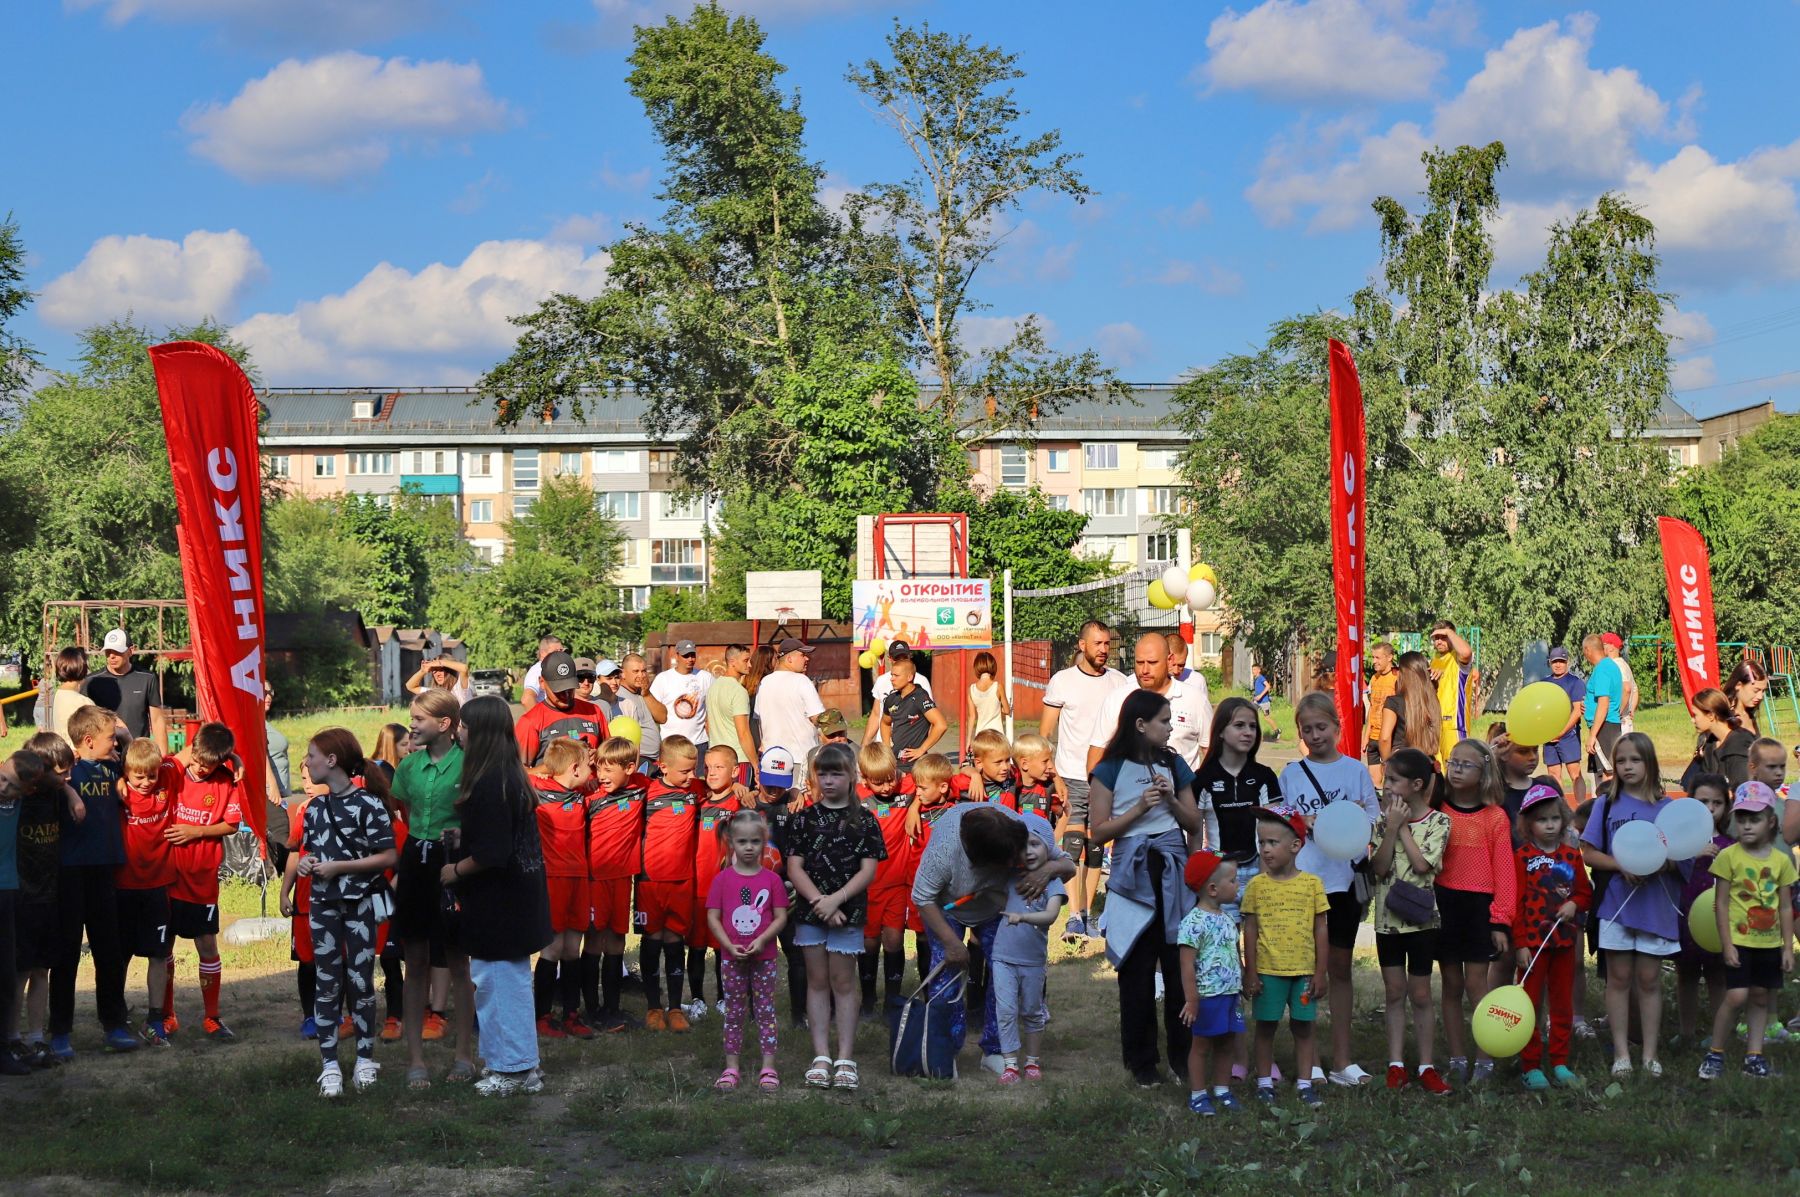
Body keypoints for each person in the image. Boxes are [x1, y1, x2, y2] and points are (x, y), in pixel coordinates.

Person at [1090, 688, 1205, 1087]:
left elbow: (1194, 824)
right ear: (1141, 725)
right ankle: (1142, 1063)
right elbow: (1098, 832)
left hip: (1172, 869)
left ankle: (1183, 1058)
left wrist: (1171, 801)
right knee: (1137, 970)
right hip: (1131, 872)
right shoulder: (1109, 768)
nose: (1171, 727)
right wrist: (1139, 807)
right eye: (1164, 720)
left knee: (1178, 967)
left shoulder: (1174, 764)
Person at [439, 695, 552, 1097]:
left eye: (465, 727)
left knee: (498, 983)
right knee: (504, 982)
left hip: (501, 903)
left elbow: (493, 853)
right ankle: (517, 1063)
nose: (459, 733)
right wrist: (462, 837)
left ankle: (514, 1069)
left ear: (480, 732)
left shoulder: (491, 782)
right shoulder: (506, 774)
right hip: (514, 900)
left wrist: (454, 869)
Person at [911, 801, 1071, 1073]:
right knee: (945, 979)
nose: (1017, 863)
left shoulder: (1019, 829)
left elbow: (1067, 865)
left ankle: (996, 1050)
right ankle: (943, 1051)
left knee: (1005, 976)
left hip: (998, 908)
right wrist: (952, 944)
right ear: (982, 862)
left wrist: (1048, 870)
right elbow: (922, 897)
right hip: (946, 908)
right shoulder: (944, 852)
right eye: (1009, 862)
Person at [1276, 690, 1381, 1088]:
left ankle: (1342, 1059)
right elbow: (1281, 823)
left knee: (1339, 969)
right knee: (1305, 972)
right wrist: (1302, 821)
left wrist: (1350, 818)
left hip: (1342, 884)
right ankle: (1311, 1060)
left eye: (1322, 727)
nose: (1316, 735)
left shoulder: (1355, 770)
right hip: (1303, 883)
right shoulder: (1291, 774)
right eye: (1307, 729)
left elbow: (1374, 816)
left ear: (1337, 727)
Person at [293, 728, 397, 1098]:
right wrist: (307, 867)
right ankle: (330, 1065)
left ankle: (366, 1059)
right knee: (327, 983)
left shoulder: (369, 804)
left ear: (332, 760)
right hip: (322, 905)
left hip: (359, 905)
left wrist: (340, 868)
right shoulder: (314, 808)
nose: (307, 763)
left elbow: (388, 856)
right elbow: (310, 850)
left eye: (312, 755)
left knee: (361, 982)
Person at [1581, 732, 1685, 1078]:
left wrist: (1657, 863)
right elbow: (1590, 851)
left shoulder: (1667, 808)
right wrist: (1622, 866)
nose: (1627, 766)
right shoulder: (1605, 805)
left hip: (1654, 905)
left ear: (1649, 763)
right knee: (1619, 978)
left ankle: (1650, 1055)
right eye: (1621, 760)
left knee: (1649, 979)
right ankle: (1622, 1054)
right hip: (1616, 906)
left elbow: (1682, 856)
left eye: (1635, 760)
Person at [787, 741, 884, 1090]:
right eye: (822, 774)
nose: (828, 781)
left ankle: (845, 1057)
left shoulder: (866, 820)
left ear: (852, 776)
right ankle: (820, 1055)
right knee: (817, 981)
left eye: (836, 773)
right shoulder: (803, 820)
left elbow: (868, 870)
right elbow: (794, 866)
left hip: (849, 912)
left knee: (843, 983)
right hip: (811, 913)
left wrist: (837, 901)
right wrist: (819, 902)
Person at [392, 688, 475, 1090]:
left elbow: (477, 816)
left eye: (419, 719)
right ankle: (415, 1060)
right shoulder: (407, 767)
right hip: (415, 859)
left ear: (444, 725)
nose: (412, 725)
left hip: (452, 862)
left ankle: (464, 1054)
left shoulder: (468, 765)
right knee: (416, 961)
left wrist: (461, 835)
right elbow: (405, 811)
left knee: (459, 960)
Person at [50, 705, 136, 1059]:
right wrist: (69, 792)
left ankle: (114, 1024)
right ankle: (59, 1031)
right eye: (108, 739)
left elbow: (136, 748)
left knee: (109, 952)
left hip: (105, 871)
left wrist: (121, 732)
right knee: (66, 953)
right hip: (70, 872)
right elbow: (37, 770)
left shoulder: (114, 766)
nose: (115, 743)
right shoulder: (65, 771)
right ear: (87, 741)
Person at [1039, 620, 1129, 940]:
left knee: (1095, 848)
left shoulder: (1119, 683)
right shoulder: (1063, 681)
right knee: (1073, 845)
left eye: (1107, 644)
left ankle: (1088, 913)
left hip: (1105, 779)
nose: (1104, 650)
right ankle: (1073, 915)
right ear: (1082, 645)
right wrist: (1054, 774)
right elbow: (1044, 734)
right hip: (1072, 775)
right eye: (1097, 644)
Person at [1700, 781, 1795, 1080]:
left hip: (1769, 943)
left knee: (1760, 997)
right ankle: (1715, 1052)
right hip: (1740, 941)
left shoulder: (1781, 862)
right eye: (1741, 819)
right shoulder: (1728, 857)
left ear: (1770, 822)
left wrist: (1787, 947)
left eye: (1754, 819)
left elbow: (1785, 907)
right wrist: (1727, 944)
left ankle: (1754, 1057)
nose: (1747, 825)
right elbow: (1722, 904)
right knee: (1737, 996)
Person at [1369, 748, 1451, 1094]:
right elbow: (1379, 867)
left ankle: (1427, 1065)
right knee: (1394, 991)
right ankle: (1396, 1064)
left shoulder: (1440, 822)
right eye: (1386, 779)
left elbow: (1422, 866)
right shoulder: (1382, 820)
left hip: (1421, 923)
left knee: (1420, 993)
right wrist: (1390, 828)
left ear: (1417, 784)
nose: (1386, 786)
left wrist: (1401, 828)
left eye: (1393, 780)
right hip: (1387, 923)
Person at [1434, 737, 1516, 1085]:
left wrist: (1501, 921)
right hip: (1444, 905)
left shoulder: (1495, 818)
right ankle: (1456, 1058)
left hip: (1480, 908)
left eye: (1466, 764)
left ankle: (1484, 1060)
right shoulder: (1438, 810)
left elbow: (1505, 873)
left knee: (1475, 984)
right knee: (1451, 984)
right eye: (1453, 762)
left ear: (1484, 772)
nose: (1457, 769)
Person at [1242, 807, 1328, 1108]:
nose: (1265, 849)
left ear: (1295, 846)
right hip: (1268, 971)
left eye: (1272, 843)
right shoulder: (1255, 886)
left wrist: (1320, 972)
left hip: (1303, 972)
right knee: (1266, 1026)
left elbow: (1321, 930)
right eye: (1261, 842)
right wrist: (1249, 971)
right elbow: (1249, 931)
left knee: (1304, 1027)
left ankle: (1305, 1084)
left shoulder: (1312, 885)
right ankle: (1264, 1083)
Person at [163, 723, 242, 1042]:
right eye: (195, 759)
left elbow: (232, 824)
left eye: (206, 765)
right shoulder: (171, 770)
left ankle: (212, 1017)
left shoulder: (226, 781)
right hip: (167, 876)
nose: (198, 767)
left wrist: (195, 831)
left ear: (220, 763)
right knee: (162, 947)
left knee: (207, 946)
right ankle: (166, 1015)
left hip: (202, 878)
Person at [6, 746, 83, 1069]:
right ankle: (11, 1038)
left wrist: (67, 791)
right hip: (21, 896)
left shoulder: (55, 794)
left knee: (41, 970)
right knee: (17, 972)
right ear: (40, 772)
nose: (68, 778)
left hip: (49, 895)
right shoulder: (18, 798)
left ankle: (37, 1037)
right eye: (62, 773)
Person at [1512, 783, 1592, 1090]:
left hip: (1563, 944)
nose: (1548, 825)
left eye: (1554, 819)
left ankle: (1559, 1061)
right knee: (1529, 1003)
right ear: (1528, 824)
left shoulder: (1572, 857)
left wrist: (1574, 903)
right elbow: (1515, 902)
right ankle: (1530, 1064)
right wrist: (1519, 943)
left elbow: (1585, 893)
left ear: (1563, 820)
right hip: (1532, 945)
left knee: (1562, 1003)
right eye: (1541, 820)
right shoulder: (1521, 858)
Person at [706, 808, 788, 1092]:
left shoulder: (772, 880)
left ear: (764, 841)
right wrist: (727, 945)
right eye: (743, 842)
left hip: (764, 958)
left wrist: (764, 939)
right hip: (731, 958)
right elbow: (713, 918)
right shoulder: (722, 880)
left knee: (765, 1011)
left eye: (755, 841)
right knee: (734, 1012)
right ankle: (731, 1067)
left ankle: (768, 1067)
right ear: (731, 842)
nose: (749, 847)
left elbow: (780, 917)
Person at [528, 739, 594, 1041]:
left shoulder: (582, 795)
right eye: (589, 766)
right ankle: (542, 1015)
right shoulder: (537, 792)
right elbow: (517, 771)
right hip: (552, 878)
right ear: (575, 768)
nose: (593, 771)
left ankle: (571, 1014)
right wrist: (538, 771)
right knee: (552, 948)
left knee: (572, 948)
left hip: (580, 878)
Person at [583, 737, 649, 1032]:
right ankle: (591, 1009)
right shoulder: (589, 796)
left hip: (623, 880)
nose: (603, 776)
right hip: (595, 879)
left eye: (610, 770)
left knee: (617, 941)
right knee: (595, 941)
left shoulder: (641, 789)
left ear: (631, 768)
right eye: (599, 769)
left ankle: (612, 1008)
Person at [638, 736, 703, 1032]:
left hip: (682, 881)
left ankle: (676, 1008)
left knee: (675, 942)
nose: (692, 777)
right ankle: (653, 1007)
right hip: (650, 882)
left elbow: (724, 788)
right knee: (652, 942)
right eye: (685, 772)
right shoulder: (646, 791)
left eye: (694, 770)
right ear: (662, 766)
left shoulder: (695, 790)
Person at [116, 737, 177, 1046]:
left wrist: (235, 755)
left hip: (157, 886)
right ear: (125, 772)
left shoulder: (167, 774)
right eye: (138, 776)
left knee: (158, 954)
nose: (145, 782)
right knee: (120, 955)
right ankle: (116, 1015)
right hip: (123, 887)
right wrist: (118, 777)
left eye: (150, 776)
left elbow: (190, 753)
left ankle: (155, 1020)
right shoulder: (118, 790)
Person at [1194, 698, 1281, 911]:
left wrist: (1265, 875)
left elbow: (1272, 832)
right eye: (1239, 725)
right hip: (1218, 873)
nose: (1248, 732)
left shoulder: (1265, 776)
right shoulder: (1201, 778)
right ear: (1221, 731)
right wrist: (1197, 879)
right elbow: (1194, 836)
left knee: (1261, 943)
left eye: (1253, 726)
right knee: (1223, 943)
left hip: (1259, 870)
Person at [991, 832, 1064, 1084]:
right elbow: (993, 893)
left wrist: (1022, 917)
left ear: (1048, 847)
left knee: (1032, 1011)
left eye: (1035, 844)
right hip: (1002, 957)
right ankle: (1010, 1065)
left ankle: (1032, 1062)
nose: (1029, 851)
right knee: (1006, 1010)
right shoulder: (1011, 877)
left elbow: (1051, 916)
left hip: (1033, 960)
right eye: (1023, 847)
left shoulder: (1053, 883)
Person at [1086, 631, 1212, 776]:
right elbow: (1097, 753)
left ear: (1169, 660)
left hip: (1181, 795)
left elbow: (1211, 752)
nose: (1144, 670)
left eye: (1152, 663)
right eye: (1139, 663)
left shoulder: (1195, 700)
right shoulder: (1117, 699)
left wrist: (1196, 791)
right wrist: (1099, 793)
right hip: (1128, 796)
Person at [1177, 850, 1245, 1115]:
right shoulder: (1192, 923)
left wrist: (1242, 978)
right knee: (1202, 1046)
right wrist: (1192, 1000)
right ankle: (1197, 1094)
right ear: (1213, 889)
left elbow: (1233, 953)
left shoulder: (1228, 919)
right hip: (1207, 997)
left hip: (1230, 994)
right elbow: (1186, 966)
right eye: (1233, 880)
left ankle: (1222, 1089)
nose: (1237, 885)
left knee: (1227, 1042)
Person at [684, 745, 745, 1020]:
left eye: (719, 767)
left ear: (734, 771)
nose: (711, 773)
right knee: (696, 947)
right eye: (707, 767)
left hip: (727, 892)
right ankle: (697, 998)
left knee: (723, 948)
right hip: (697, 889)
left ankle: (724, 998)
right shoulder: (698, 800)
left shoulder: (741, 802)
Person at [858, 742, 917, 1018]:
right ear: (864, 779)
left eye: (890, 779)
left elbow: (938, 777)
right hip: (867, 886)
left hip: (897, 885)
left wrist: (915, 805)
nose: (885, 787)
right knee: (869, 943)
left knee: (893, 941)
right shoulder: (856, 796)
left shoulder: (908, 787)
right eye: (878, 783)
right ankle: (867, 1000)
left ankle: (893, 1001)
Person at [1674, 774, 1732, 1047]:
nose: (1709, 809)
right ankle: (1686, 1031)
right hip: (1685, 915)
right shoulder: (1681, 841)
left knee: (1717, 976)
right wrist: (1691, 853)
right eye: (1703, 801)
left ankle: (1719, 1033)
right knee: (1686, 974)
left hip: (1716, 919)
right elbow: (1668, 865)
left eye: (1717, 803)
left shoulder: (1730, 844)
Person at [513, 651, 606, 767]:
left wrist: (598, 756)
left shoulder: (594, 711)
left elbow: (611, 755)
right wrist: (553, 769)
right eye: (559, 690)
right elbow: (516, 772)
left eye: (569, 688)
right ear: (542, 682)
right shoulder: (530, 722)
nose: (566, 694)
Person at [80, 629, 167, 748]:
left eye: (117, 651)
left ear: (131, 651)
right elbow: (84, 722)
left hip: (138, 756)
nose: (111, 656)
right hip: (105, 755)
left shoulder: (147, 678)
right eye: (108, 651)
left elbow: (157, 721)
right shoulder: (91, 681)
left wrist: (163, 760)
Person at [755, 637, 825, 763]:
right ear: (789, 659)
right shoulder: (802, 681)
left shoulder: (765, 682)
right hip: (800, 758)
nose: (807, 659)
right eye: (802, 655)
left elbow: (758, 720)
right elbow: (817, 717)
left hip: (771, 759)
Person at [880, 648, 946, 773]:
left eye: (896, 676)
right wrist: (887, 747)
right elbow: (885, 722)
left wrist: (922, 749)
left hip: (915, 765)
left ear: (909, 677)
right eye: (891, 675)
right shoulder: (891, 699)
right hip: (894, 763)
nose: (892, 679)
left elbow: (941, 725)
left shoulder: (920, 696)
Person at [864, 641, 935, 747]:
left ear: (910, 656)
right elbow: (876, 714)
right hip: (885, 744)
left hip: (910, 747)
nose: (901, 660)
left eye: (904, 657)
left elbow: (931, 717)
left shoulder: (921, 681)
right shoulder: (881, 681)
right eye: (897, 658)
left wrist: (923, 747)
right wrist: (865, 744)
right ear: (890, 659)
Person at [1540, 647, 1588, 806]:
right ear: (1549, 663)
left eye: (1561, 661)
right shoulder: (1544, 683)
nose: (1558, 665)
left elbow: (1577, 711)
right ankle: (1560, 809)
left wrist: (1561, 732)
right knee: (1553, 775)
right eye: (1555, 662)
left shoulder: (1575, 682)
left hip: (1569, 735)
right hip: (1548, 736)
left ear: (1567, 662)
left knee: (1575, 773)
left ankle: (1581, 807)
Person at [1684, 687, 1754, 791]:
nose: (1692, 720)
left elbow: (1743, 791)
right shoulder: (1710, 744)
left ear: (1711, 715)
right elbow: (1696, 784)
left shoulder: (1740, 744)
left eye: (1695, 715)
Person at [652, 640, 713, 754]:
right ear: (677, 656)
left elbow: (714, 707)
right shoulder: (663, 679)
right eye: (686, 656)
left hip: (699, 743)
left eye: (692, 655)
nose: (690, 659)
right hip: (672, 744)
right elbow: (653, 709)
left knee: (699, 773)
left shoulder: (706, 678)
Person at [1381, 651, 1441, 764]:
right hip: (1428, 763)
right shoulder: (1433, 701)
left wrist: (1386, 763)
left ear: (1404, 673)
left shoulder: (1393, 702)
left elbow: (1385, 739)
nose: (1396, 673)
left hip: (1402, 764)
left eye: (1398, 669)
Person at [1428, 622, 1476, 762]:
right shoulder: (1434, 660)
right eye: (1436, 637)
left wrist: (1449, 632)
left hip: (1454, 725)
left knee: (1456, 770)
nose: (1439, 641)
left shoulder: (1458, 657)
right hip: (1435, 726)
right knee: (1438, 775)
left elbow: (1466, 652)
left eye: (1444, 636)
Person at [1581, 634, 1624, 785]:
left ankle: (1607, 807)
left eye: (1583, 651)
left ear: (1588, 650)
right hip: (1607, 725)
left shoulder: (1602, 670)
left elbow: (1603, 703)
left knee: (1608, 773)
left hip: (1604, 727)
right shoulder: (1610, 666)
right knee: (1605, 772)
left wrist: (1593, 735)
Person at [706, 644, 756, 769]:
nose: (749, 665)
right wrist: (756, 764)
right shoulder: (738, 691)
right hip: (737, 760)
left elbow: (707, 725)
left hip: (716, 758)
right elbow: (743, 733)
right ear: (732, 662)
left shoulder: (713, 687)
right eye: (746, 660)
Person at [1363, 642, 1397, 786]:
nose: (1374, 661)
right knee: (1374, 784)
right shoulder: (1374, 679)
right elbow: (1372, 707)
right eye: (1373, 657)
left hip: (1388, 738)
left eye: (1378, 658)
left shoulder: (1397, 678)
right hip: (1373, 738)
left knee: (1390, 781)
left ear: (1389, 657)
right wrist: (1366, 737)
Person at [47, 647, 95, 747]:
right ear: (83, 668)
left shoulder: (58, 695)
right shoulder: (83, 702)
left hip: (63, 753)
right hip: (81, 756)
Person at [968, 650, 1011, 738]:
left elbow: (971, 716)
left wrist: (968, 740)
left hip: (980, 736)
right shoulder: (998, 686)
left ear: (976, 667)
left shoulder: (971, 689)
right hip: (997, 735)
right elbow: (1007, 710)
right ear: (993, 666)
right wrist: (998, 707)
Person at [1602, 634, 1639, 736]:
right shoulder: (1624, 664)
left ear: (1611, 647)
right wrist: (1631, 710)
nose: (1601, 649)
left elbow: (1627, 689)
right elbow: (1635, 690)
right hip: (1626, 721)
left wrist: (1616, 713)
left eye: (1603, 645)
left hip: (1619, 723)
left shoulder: (1616, 665)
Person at [1723, 658, 1771, 736]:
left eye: (1763, 691)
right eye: (1756, 691)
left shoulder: (1749, 715)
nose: (1760, 696)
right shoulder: (1723, 717)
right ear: (1738, 685)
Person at [518, 636, 565, 712]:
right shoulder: (538, 670)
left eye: (561, 650)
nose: (560, 654)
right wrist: (541, 721)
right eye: (556, 651)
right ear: (543, 653)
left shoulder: (554, 668)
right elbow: (527, 699)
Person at [405, 653, 473, 705]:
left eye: (441, 670)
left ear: (450, 671)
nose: (437, 674)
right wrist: (423, 671)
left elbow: (464, 668)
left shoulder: (460, 688)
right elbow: (410, 686)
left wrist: (440, 662)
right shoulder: (435, 692)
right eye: (434, 671)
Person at [1248, 662, 1280, 740]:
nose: (1253, 671)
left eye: (1255, 670)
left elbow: (1268, 686)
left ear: (1259, 670)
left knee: (1267, 718)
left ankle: (1277, 731)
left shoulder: (1261, 678)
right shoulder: (1256, 679)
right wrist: (1255, 696)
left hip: (1264, 702)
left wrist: (1260, 696)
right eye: (1252, 670)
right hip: (1257, 702)